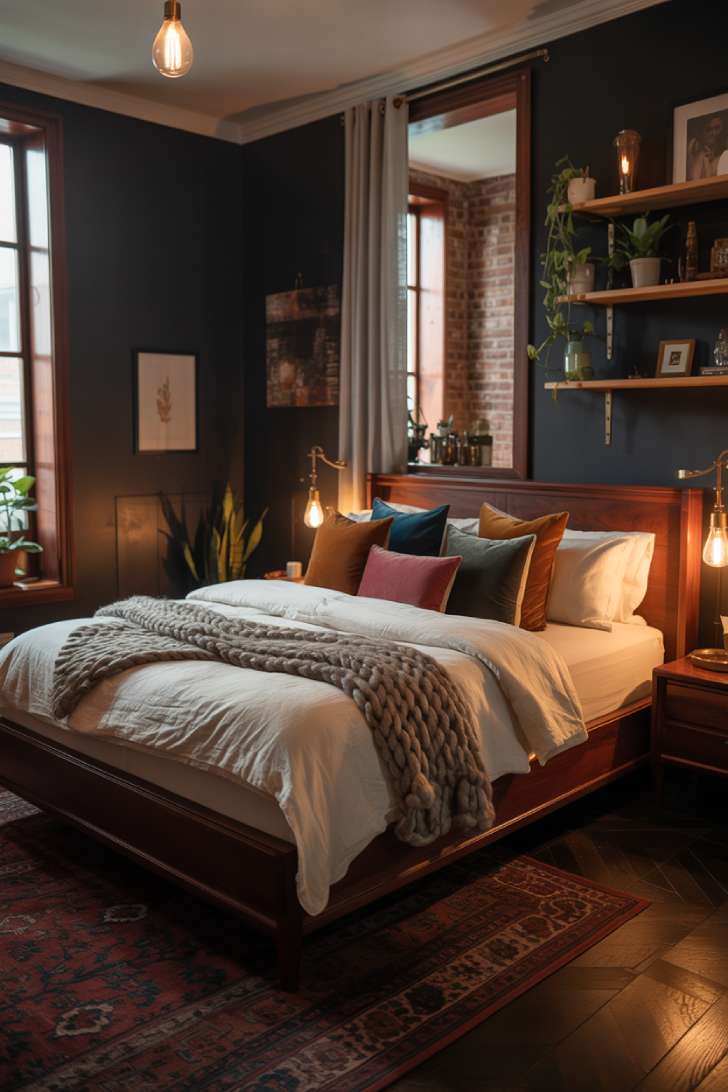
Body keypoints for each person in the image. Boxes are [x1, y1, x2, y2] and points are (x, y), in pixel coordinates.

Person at [686, 114, 725, 179]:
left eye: (717, 128)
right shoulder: (698, 151)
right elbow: (695, 179)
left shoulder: (724, 154)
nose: (714, 133)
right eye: (708, 129)